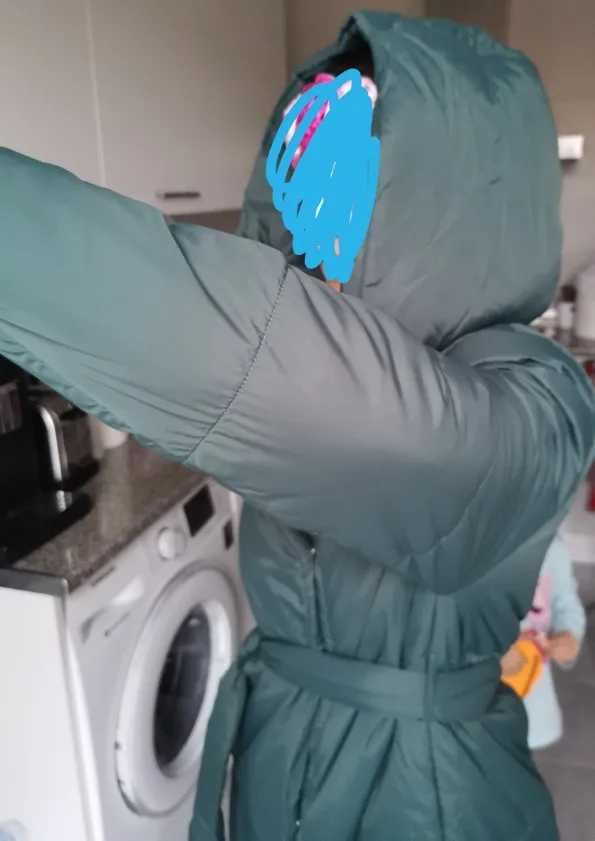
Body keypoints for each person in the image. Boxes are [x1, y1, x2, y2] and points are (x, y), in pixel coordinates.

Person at [0, 11, 593, 841]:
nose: (316, 231)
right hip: (275, 754)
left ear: (446, 203)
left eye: (355, 186)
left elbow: (324, 393)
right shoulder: (315, 341)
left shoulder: (540, 397)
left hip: (427, 796)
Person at [501, 535, 586, 751]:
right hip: (471, 700)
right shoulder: (463, 550)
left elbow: (566, 604)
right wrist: (491, 651)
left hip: (532, 698)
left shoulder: (553, 549)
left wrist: (569, 636)